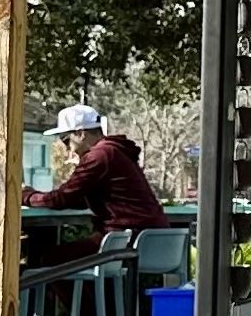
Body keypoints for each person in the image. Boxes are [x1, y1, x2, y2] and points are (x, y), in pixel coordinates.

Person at [29, 102, 168, 248]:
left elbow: (62, 198)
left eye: (65, 140)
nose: (67, 148)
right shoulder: (115, 151)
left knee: (49, 258)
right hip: (152, 240)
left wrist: (24, 196)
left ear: (80, 134)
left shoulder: (99, 156)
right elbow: (78, 199)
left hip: (127, 241)